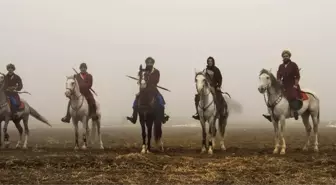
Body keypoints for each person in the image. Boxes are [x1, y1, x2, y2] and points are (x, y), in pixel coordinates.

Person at [127, 57, 169, 124]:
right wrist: (140, 82)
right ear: (146, 63)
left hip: (152, 89)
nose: (149, 64)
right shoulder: (142, 71)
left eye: (150, 62)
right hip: (143, 89)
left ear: (153, 63)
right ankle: (134, 117)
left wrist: (151, 82)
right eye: (148, 62)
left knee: (160, 99)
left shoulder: (156, 71)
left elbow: (157, 80)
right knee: (136, 100)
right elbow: (139, 80)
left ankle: (162, 116)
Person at [262, 50, 302, 122]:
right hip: (283, 84)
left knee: (291, 95)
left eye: (286, 56)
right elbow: (278, 75)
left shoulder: (293, 65)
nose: (285, 57)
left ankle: (295, 111)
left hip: (292, 84)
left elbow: (297, 76)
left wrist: (295, 85)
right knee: (273, 96)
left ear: (289, 56)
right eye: (284, 56)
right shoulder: (281, 66)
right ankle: (270, 113)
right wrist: (279, 81)